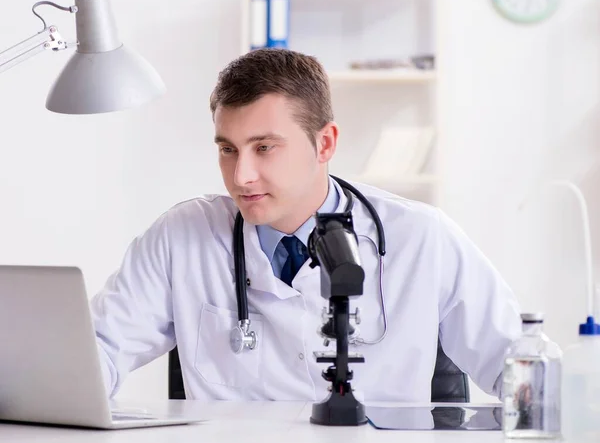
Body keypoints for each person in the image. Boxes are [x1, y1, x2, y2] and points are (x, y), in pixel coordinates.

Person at [91, 48, 522, 401]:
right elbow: (97, 352)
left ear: (325, 143)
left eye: (264, 148)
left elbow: (519, 367)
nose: (241, 176)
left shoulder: (423, 238)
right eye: (227, 149)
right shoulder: (180, 238)